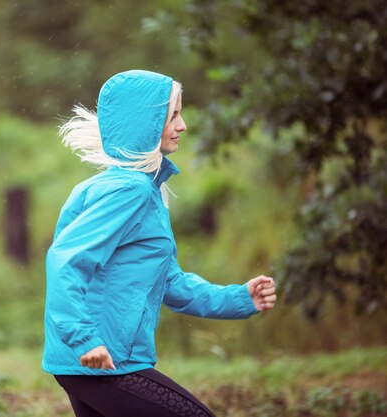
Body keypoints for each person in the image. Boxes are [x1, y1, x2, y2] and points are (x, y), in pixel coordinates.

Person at [42, 69, 277, 417]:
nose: (182, 125)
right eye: (173, 115)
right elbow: (66, 259)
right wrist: (84, 338)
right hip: (104, 358)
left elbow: (170, 282)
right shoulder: (128, 191)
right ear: (146, 122)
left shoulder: (136, 189)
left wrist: (239, 298)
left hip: (94, 359)